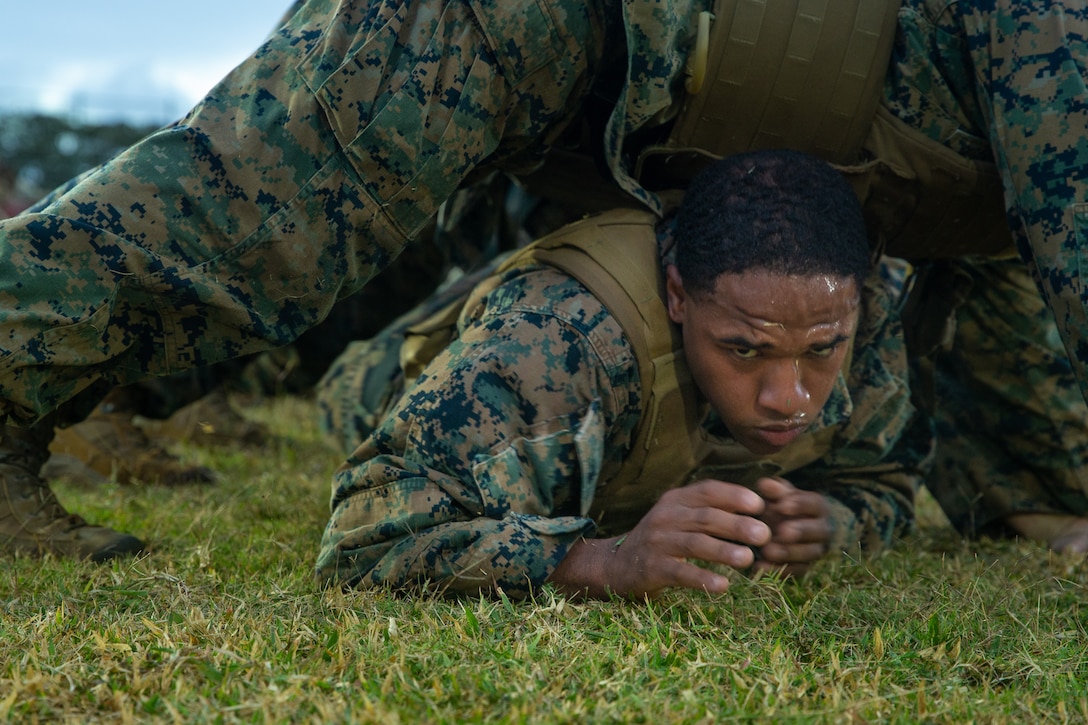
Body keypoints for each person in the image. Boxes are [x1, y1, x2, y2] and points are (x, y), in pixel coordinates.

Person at [2, 0, 1087, 561]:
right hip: (555, 23)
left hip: (663, 97)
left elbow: (985, 262)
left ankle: (110, 400)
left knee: (317, 248)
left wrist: (1027, 494)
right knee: (263, 210)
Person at [313, 149, 931, 599]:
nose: (788, 397)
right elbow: (363, 538)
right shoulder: (557, 342)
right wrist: (601, 562)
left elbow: (883, 479)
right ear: (679, 294)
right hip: (392, 376)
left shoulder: (854, 310)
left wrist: (832, 522)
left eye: (822, 351)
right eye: (744, 350)